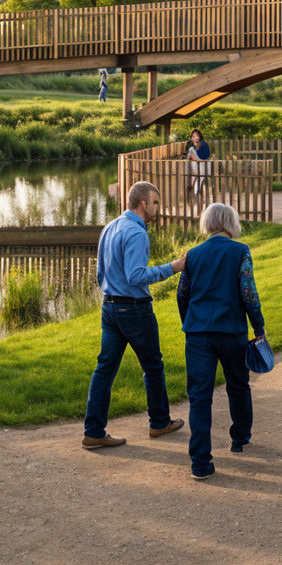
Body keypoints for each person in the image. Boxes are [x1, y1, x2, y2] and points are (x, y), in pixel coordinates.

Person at [83, 181, 189, 449]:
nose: (157, 208)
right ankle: (159, 423)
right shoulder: (137, 232)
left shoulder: (110, 227)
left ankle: (93, 432)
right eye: (155, 203)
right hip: (134, 309)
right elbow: (136, 276)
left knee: (104, 369)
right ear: (143, 203)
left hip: (109, 307)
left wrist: (113, 293)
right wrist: (173, 267)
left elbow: (100, 274)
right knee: (152, 366)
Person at [176, 202, 266, 480]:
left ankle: (200, 463)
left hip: (198, 333)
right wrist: (258, 326)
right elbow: (248, 292)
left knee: (199, 398)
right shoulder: (240, 251)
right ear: (231, 223)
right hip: (231, 331)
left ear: (208, 223)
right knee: (238, 386)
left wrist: (188, 321)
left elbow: (182, 294)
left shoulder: (192, 255)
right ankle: (239, 438)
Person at [187, 128, 213, 198]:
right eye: (193, 136)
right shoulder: (191, 148)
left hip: (203, 169)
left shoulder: (204, 145)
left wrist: (195, 159)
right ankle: (194, 192)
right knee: (194, 177)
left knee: (200, 177)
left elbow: (205, 158)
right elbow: (188, 159)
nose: (196, 138)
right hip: (194, 169)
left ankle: (195, 193)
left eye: (197, 136)